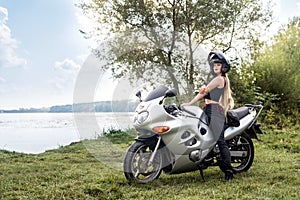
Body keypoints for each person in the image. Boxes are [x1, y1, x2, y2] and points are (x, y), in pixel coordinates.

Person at [181, 50, 235, 181]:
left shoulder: (219, 79)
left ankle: (229, 171)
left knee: (220, 140)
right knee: (205, 136)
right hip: (208, 109)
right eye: (214, 65)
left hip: (214, 111)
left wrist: (190, 103)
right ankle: (204, 160)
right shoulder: (217, 80)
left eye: (218, 64)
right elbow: (205, 91)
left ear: (223, 67)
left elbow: (204, 92)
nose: (216, 67)